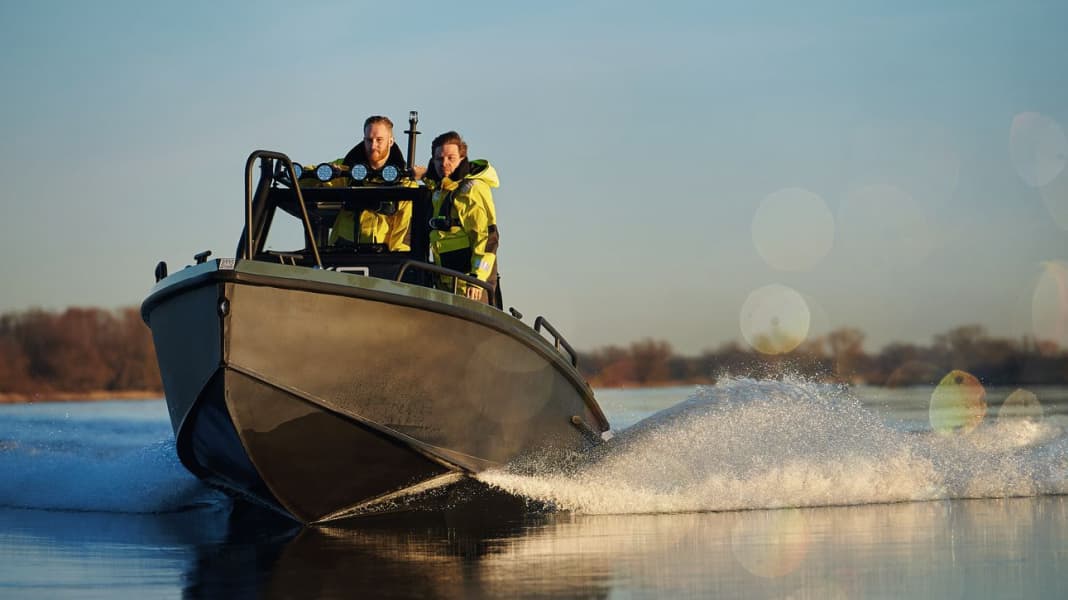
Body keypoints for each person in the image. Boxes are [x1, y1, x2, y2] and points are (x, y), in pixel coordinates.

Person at [424, 131, 500, 305]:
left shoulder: (471, 189)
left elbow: (487, 238)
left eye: (451, 158)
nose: (444, 164)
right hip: (447, 283)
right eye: (439, 159)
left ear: (462, 158)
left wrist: (477, 278)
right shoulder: (441, 190)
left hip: (470, 286)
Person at [326, 115, 414, 251]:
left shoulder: (405, 183)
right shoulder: (345, 169)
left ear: (391, 141)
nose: (373, 145)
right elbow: (309, 180)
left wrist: (396, 263)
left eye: (379, 140)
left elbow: (403, 231)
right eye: (369, 140)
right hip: (342, 252)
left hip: (380, 257)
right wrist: (323, 174)